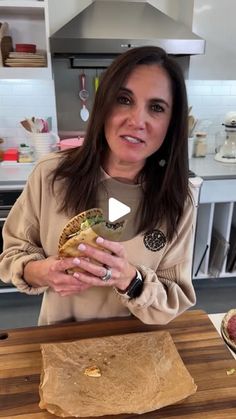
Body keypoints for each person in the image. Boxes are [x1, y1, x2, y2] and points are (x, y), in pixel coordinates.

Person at [0, 46, 197, 326]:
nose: (137, 121)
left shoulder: (179, 200)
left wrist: (130, 279)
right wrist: (42, 271)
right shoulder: (51, 175)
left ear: (171, 123)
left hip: (137, 349)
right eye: (124, 99)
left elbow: (173, 299)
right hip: (61, 339)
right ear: (103, 106)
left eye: (156, 107)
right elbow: (12, 254)